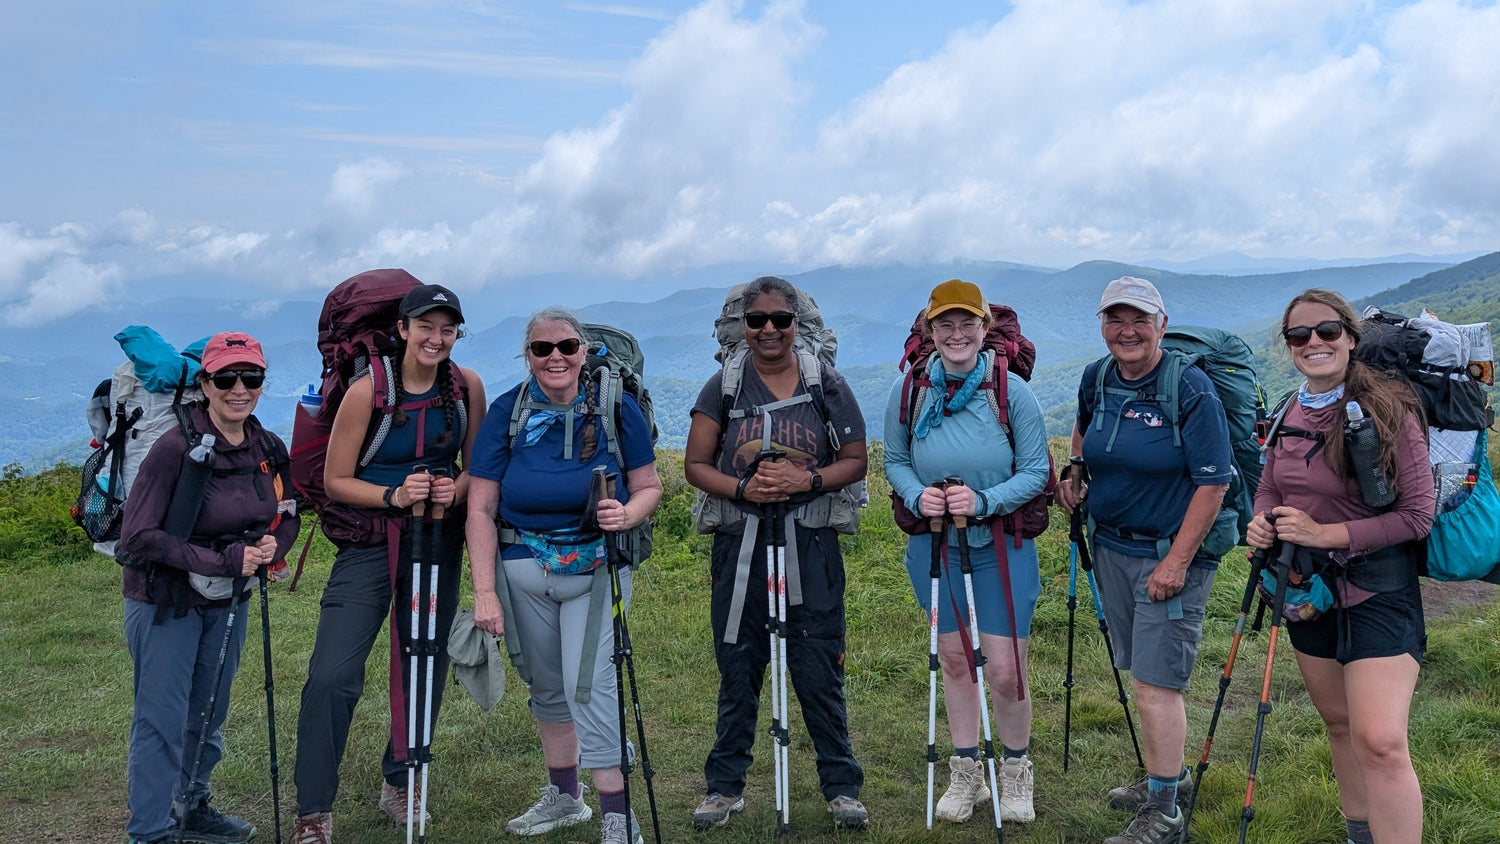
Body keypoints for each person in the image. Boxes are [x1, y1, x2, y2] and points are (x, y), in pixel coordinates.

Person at [292, 284, 484, 844]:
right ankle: (313, 809)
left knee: (424, 660)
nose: (436, 338)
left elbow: (478, 467)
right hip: (370, 541)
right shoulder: (367, 391)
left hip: (436, 540)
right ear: (402, 329)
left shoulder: (466, 387)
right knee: (333, 673)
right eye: (426, 326)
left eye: (447, 329)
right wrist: (396, 497)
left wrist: (454, 489)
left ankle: (403, 779)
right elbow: (335, 480)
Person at [467, 307, 663, 844]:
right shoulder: (508, 412)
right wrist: (485, 592)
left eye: (567, 347)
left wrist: (627, 514)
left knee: (590, 685)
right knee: (547, 684)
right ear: (527, 356)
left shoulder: (615, 409)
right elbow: (480, 507)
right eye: (542, 349)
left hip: (597, 565)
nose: (555, 357)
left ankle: (618, 819)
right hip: (521, 564)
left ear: (583, 352)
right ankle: (564, 797)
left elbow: (649, 486)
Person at [683, 276, 871, 831]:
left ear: (796, 324)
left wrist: (802, 480)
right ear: (743, 325)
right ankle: (724, 787)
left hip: (810, 543)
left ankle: (841, 787)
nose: (769, 329)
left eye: (780, 320)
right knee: (738, 665)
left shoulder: (825, 383)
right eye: (758, 319)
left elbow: (856, 459)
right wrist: (745, 491)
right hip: (739, 544)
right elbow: (696, 464)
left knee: (818, 665)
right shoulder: (723, 385)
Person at [1247, 289, 1433, 844]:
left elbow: (1417, 516)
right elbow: (1269, 486)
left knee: (1379, 740)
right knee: (1341, 725)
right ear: (1288, 346)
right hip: (1307, 591)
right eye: (1299, 335)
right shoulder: (1287, 410)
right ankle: (1362, 835)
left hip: (1379, 590)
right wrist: (1261, 521)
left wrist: (1328, 533)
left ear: (1351, 337)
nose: (1314, 343)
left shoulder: (1389, 410)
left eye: (1326, 331)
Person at [1055, 276, 1234, 844]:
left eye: (1139, 320)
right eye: (1115, 319)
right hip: (1112, 546)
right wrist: (1076, 467)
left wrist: (1177, 563)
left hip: (1168, 555)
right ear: (1103, 325)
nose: (1126, 331)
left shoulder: (1191, 388)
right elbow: (1085, 426)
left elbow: (1214, 483)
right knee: (1141, 669)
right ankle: (1170, 777)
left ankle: (1165, 814)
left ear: (1162, 324)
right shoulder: (1099, 376)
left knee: (1158, 683)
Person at [118, 331, 301, 844]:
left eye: (251, 377)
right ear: (206, 382)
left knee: (209, 710)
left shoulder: (266, 444)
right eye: (226, 378)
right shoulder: (174, 447)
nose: (239, 388)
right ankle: (151, 833)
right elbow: (138, 537)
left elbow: (288, 508)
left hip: (229, 598)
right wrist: (225, 559)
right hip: (165, 602)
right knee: (162, 720)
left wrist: (273, 547)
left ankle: (192, 807)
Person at [883, 279, 1049, 824]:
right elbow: (896, 461)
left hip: (1001, 545)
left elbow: (1037, 472)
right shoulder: (910, 390)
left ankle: (1016, 772)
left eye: (967, 324)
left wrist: (982, 501)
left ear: (984, 329)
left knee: (1006, 669)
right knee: (955, 659)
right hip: (936, 546)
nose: (956, 335)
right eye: (945, 325)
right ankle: (966, 772)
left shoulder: (1010, 391)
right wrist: (916, 494)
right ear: (929, 332)